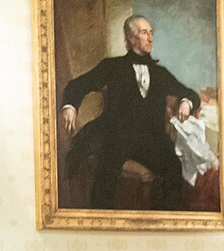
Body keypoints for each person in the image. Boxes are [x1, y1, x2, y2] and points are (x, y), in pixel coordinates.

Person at [59, 15, 200, 210]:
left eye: (151, 33)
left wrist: (186, 102)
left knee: (173, 167)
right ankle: (100, 220)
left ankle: (165, 219)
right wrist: (70, 106)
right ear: (132, 38)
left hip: (150, 139)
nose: (150, 38)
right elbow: (77, 85)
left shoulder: (160, 73)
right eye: (144, 33)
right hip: (116, 135)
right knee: (105, 174)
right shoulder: (112, 66)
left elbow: (190, 93)